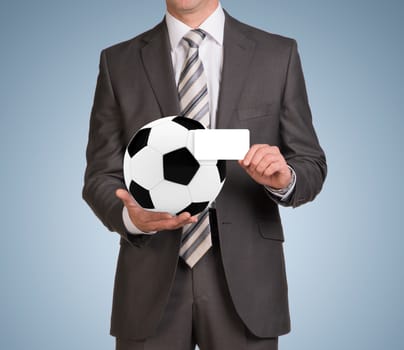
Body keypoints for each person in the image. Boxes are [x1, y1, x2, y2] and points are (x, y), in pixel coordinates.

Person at [83, 1, 327, 349]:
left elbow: (310, 163)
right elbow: (99, 176)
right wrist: (131, 217)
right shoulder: (118, 62)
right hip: (149, 279)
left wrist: (285, 178)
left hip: (247, 282)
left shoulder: (277, 55)